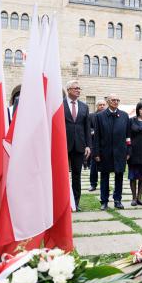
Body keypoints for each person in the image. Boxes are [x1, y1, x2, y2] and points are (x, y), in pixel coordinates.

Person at [93, 94, 130, 211]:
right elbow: (97, 137)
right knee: (104, 177)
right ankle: (104, 201)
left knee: (119, 176)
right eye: (113, 100)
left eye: (117, 100)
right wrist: (97, 153)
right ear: (108, 101)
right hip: (105, 152)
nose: (116, 102)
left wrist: (128, 150)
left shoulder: (124, 116)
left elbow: (128, 136)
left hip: (120, 152)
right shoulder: (100, 116)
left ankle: (118, 200)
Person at [63, 81, 91, 212]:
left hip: (79, 146)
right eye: (76, 88)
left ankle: (75, 202)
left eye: (80, 88)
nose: (78, 90)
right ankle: (62, 202)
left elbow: (87, 128)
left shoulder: (84, 107)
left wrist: (88, 146)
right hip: (63, 145)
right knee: (62, 175)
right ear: (68, 90)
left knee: (76, 175)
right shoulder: (59, 104)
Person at [88, 99, 107, 192]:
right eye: (100, 105)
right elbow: (88, 129)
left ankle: (105, 186)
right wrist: (94, 132)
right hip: (94, 144)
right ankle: (93, 184)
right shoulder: (92, 116)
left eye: (104, 105)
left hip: (106, 145)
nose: (102, 106)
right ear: (97, 106)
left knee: (106, 167)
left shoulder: (108, 116)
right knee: (94, 166)